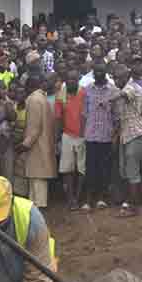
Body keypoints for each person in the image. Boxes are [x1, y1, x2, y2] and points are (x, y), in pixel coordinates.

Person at [112, 62, 142, 216]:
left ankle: (133, 207)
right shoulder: (127, 88)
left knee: (132, 171)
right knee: (127, 170)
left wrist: (110, 99)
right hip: (128, 134)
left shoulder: (132, 88)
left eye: (119, 78)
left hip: (135, 134)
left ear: (127, 77)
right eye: (114, 78)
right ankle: (130, 202)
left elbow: (125, 94)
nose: (116, 81)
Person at [81, 60, 118, 208]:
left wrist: (114, 135)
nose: (99, 74)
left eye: (101, 71)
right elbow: (84, 113)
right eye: (96, 71)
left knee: (104, 168)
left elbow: (116, 115)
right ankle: (88, 199)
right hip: (91, 135)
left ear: (106, 72)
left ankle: (102, 198)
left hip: (106, 136)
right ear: (93, 72)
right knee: (90, 168)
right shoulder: (88, 89)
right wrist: (84, 133)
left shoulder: (112, 90)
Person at [17, 72, 56, 208]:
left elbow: (34, 128)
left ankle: (39, 210)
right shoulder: (42, 98)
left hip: (36, 145)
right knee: (37, 178)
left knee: (37, 179)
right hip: (43, 144)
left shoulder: (34, 100)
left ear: (29, 86)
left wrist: (24, 145)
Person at [55, 66, 87, 210]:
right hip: (67, 135)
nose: (71, 81)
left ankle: (78, 197)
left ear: (79, 79)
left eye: (74, 79)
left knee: (81, 169)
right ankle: (70, 198)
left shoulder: (85, 93)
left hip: (83, 136)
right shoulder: (61, 95)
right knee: (68, 170)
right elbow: (58, 117)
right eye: (68, 79)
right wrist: (58, 138)